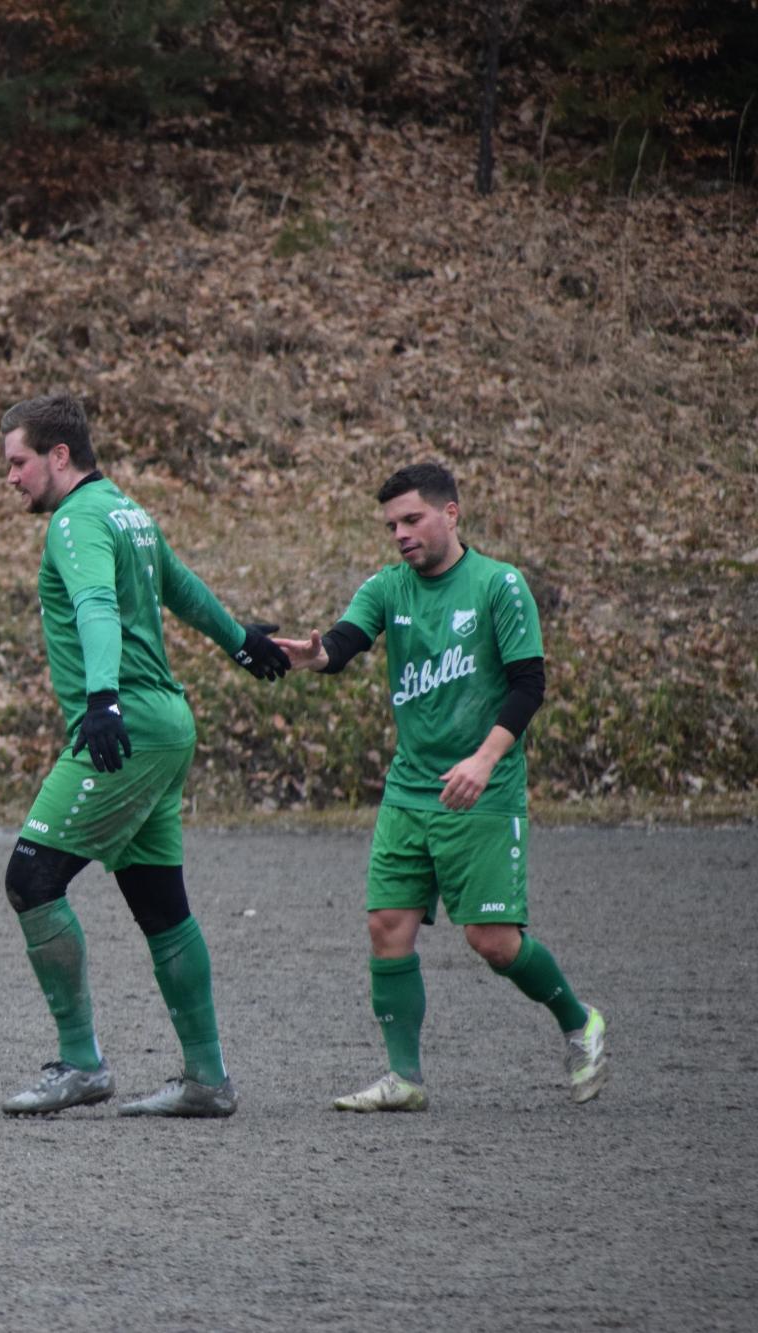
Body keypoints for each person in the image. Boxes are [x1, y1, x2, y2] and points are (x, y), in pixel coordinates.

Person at [275, 462, 608, 1111]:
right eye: (391, 525)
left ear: (450, 513)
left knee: (493, 942)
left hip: (483, 789)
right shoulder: (388, 588)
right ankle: (404, 1078)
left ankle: (580, 1022)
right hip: (409, 790)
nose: (400, 533)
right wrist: (317, 656)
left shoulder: (498, 585)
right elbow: (344, 642)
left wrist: (483, 760)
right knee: (387, 925)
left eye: (412, 519)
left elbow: (529, 685)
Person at [0, 393, 290, 1119]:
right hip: (165, 725)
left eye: (19, 462)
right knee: (159, 903)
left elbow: (95, 603)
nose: (11, 477)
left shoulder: (75, 521)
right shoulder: (126, 509)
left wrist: (102, 698)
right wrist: (240, 642)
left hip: (124, 727)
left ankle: (81, 1064)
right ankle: (207, 1079)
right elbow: (180, 587)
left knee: (32, 878)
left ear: (59, 456)